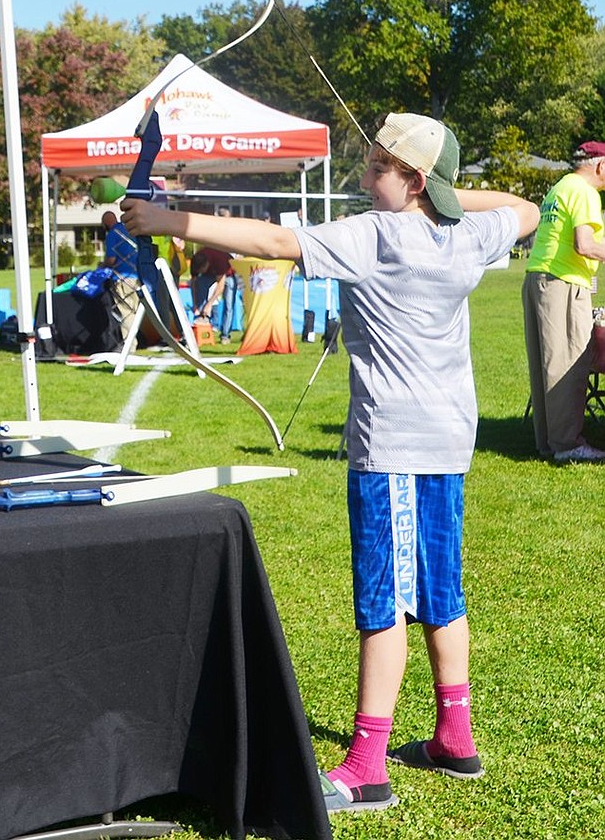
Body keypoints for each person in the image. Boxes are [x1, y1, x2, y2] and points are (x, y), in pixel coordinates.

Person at [122, 111, 540, 814]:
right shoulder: (467, 233)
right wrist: (440, 196)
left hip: (394, 447)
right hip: (446, 440)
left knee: (382, 601)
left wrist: (168, 219)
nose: (364, 174)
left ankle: (368, 766)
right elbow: (525, 209)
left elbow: (275, 241)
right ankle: (453, 737)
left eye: (379, 166)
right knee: (442, 589)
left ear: (409, 180)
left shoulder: (377, 235)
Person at [522, 141, 605, 463]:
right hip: (563, 282)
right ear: (600, 165)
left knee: (547, 364)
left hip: (539, 278)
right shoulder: (585, 192)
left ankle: (550, 440)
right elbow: (584, 245)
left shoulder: (561, 187)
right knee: (568, 364)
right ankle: (568, 444)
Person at [100, 210, 142, 347]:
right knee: (135, 311)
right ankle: (135, 341)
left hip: (122, 278)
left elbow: (111, 260)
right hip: (137, 276)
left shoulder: (112, 235)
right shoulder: (130, 231)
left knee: (126, 312)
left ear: (106, 223)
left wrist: (102, 265)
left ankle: (129, 345)